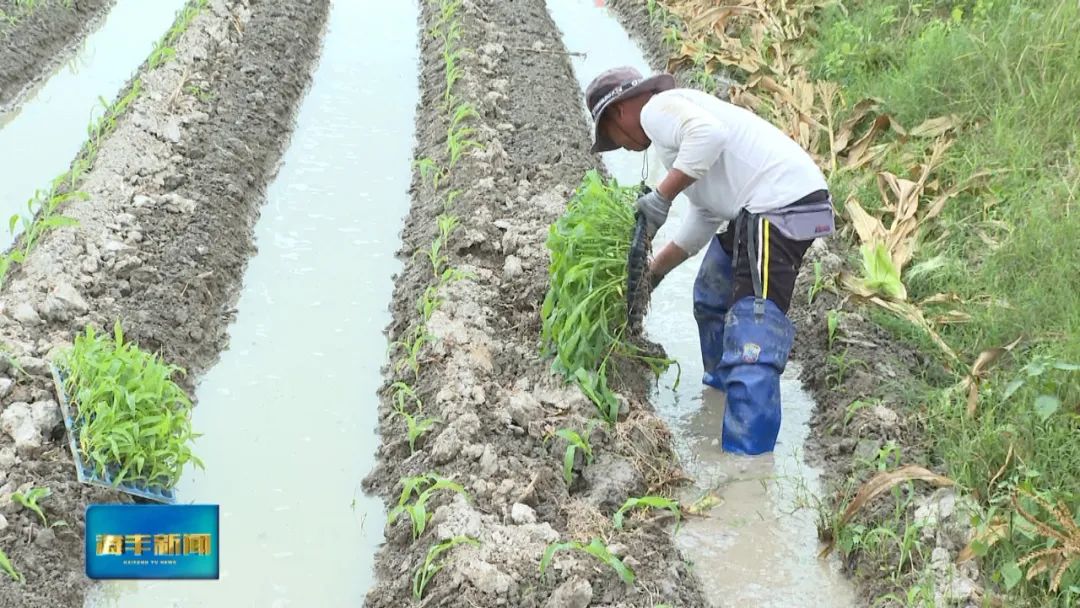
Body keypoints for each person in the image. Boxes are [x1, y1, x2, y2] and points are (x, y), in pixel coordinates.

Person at [584, 66, 835, 456]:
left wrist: (661, 196)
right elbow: (704, 215)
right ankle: (720, 392)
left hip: (778, 204)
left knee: (753, 329)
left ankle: (746, 465)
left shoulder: (657, 109)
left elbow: (710, 136)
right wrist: (652, 275)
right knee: (711, 293)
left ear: (618, 113)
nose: (618, 144)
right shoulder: (674, 140)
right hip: (756, 209)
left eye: (611, 136)